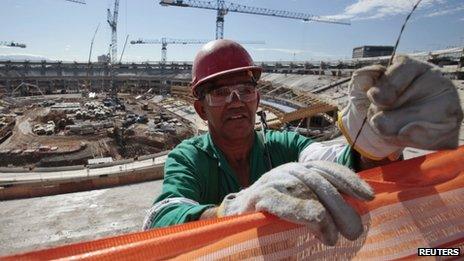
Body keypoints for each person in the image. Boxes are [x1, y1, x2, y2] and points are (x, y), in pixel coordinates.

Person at [143, 39, 463, 246]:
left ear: (258, 98)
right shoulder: (189, 158)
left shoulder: (284, 144)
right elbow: (162, 215)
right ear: (200, 108)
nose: (236, 101)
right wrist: (235, 208)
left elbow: (329, 161)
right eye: (220, 92)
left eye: (246, 89)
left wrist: (373, 149)